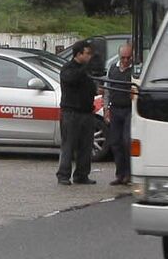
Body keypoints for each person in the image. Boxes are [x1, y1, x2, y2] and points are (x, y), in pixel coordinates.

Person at [56, 40, 97, 186]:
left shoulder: (87, 71)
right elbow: (71, 79)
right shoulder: (68, 68)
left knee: (86, 146)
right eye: (87, 53)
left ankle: (81, 174)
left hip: (86, 112)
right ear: (78, 54)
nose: (90, 56)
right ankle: (63, 175)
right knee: (69, 145)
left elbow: (91, 87)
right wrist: (85, 69)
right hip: (71, 113)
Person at [104, 42, 135, 186]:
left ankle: (129, 174)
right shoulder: (113, 69)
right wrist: (106, 109)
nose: (126, 61)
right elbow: (107, 90)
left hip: (129, 109)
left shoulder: (135, 71)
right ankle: (120, 173)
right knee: (115, 142)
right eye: (123, 58)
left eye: (129, 58)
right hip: (115, 108)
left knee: (126, 142)